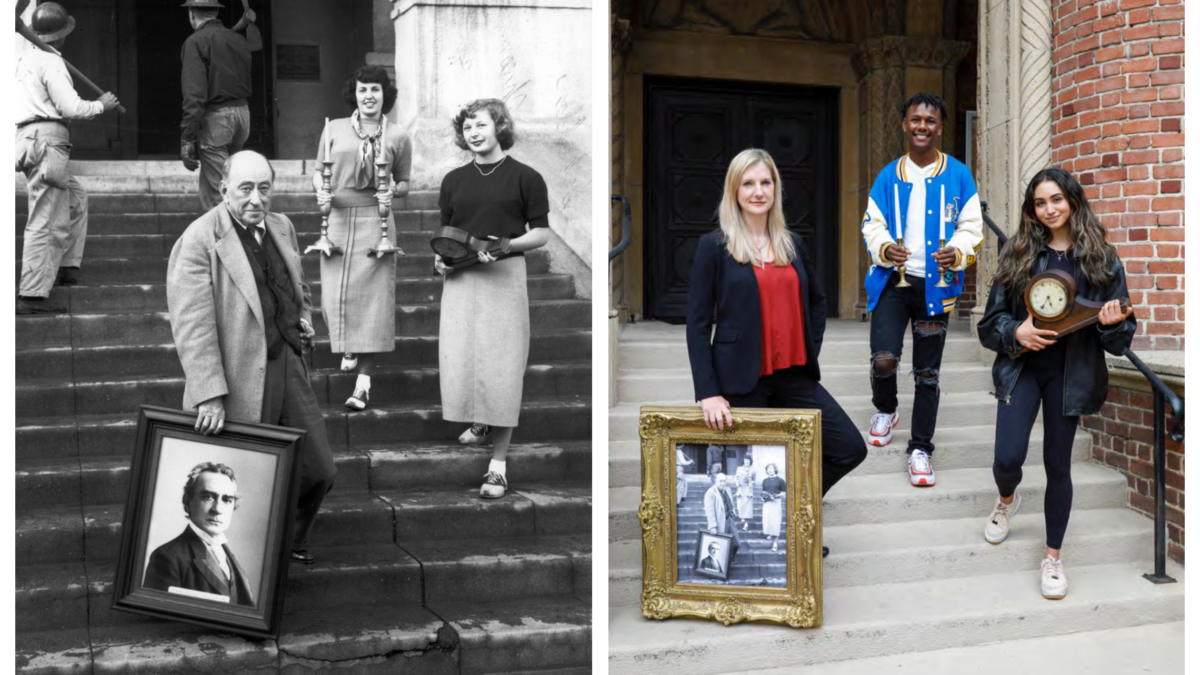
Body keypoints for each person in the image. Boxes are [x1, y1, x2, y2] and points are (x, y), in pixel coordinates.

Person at [687, 148, 867, 557]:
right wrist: (708, 392)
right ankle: (764, 547)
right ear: (735, 190)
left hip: (794, 376)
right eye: (748, 183)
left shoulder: (792, 243)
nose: (758, 191)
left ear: (775, 189)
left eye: (765, 182)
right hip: (738, 380)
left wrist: (807, 347)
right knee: (749, 467)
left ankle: (792, 517)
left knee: (848, 447)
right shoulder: (714, 247)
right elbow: (698, 324)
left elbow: (818, 301)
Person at [166, 150, 337, 566]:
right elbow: (192, 323)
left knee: (319, 469)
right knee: (243, 474)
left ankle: (285, 539)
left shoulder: (282, 226)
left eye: (264, 188)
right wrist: (209, 392)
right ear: (224, 189)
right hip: (239, 372)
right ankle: (250, 556)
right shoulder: (200, 238)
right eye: (245, 188)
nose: (256, 199)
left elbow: (299, 283)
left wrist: (303, 317)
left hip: (288, 362)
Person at [977, 168, 1135, 600]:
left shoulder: (1102, 257)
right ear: (1032, 208)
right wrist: (1016, 334)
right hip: (1024, 369)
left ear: (1073, 201)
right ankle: (1007, 499)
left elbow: (1122, 338)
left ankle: (1053, 556)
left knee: (1058, 465)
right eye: (1040, 202)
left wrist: (1109, 325)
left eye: (1057, 200)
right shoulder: (1020, 252)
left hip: (1070, 375)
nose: (1049, 210)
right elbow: (990, 325)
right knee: (1006, 458)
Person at [859, 92, 984, 487]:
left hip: (936, 287)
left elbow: (972, 227)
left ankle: (921, 450)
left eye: (930, 121)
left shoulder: (959, 174)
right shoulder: (888, 175)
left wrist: (959, 250)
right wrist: (883, 248)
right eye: (915, 119)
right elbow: (871, 224)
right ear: (904, 124)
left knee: (927, 373)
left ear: (940, 127)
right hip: (893, 284)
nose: (922, 126)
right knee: (884, 360)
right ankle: (887, 408)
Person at [435, 99, 551, 499]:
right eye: (467, 127)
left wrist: (506, 244)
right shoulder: (453, 180)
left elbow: (541, 233)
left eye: (481, 125)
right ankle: (480, 420)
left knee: (502, 368)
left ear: (499, 127)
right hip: (463, 280)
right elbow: (447, 234)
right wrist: (442, 261)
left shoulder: (525, 177)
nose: (474, 133)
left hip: (504, 276)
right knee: (462, 359)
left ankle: (498, 466)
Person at [314, 65, 411, 410]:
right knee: (332, 297)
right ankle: (349, 343)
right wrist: (320, 194)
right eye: (362, 89)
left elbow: (404, 182)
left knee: (373, 302)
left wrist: (393, 192)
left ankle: (363, 383)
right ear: (353, 94)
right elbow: (318, 172)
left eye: (375, 89)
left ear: (386, 94)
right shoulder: (334, 129)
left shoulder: (398, 135)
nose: (369, 96)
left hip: (376, 219)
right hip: (337, 218)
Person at [15, 2, 120, 315]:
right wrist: (101, 104)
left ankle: (65, 267)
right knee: (47, 219)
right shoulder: (51, 61)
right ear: (61, 36)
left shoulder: (23, 60)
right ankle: (32, 296)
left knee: (75, 197)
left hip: (26, 138)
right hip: (48, 142)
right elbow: (73, 108)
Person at [143, 462, 254, 606]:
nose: (218, 509)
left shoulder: (225, 552)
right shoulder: (167, 557)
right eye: (208, 497)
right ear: (188, 502)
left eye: (227, 500)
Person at [179, 0, 254, 212]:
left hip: (217, 121)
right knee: (227, 183)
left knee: (219, 194)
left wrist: (187, 137)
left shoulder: (195, 41)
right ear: (215, 12)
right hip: (242, 115)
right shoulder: (238, 39)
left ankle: (227, 242)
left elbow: (194, 95)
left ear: (192, 13)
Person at [702, 473, 740, 562]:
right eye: (720, 481)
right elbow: (709, 511)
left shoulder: (728, 490)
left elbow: (731, 502)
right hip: (719, 522)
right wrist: (712, 526)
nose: (722, 483)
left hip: (730, 520)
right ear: (716, 481)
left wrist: (733, 511)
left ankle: (730, 559)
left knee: (736, 543)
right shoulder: (710, 492)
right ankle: (724, 566)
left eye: (724, 481)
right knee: (722, 545)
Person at [761, 463, 785, 552]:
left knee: (776, 522)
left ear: (775, 469)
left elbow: (784, 493)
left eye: (771, 468)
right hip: (767, 503)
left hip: (776, 503)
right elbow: (763, 492)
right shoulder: (765, 481)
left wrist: (776, 496)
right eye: (768, 469)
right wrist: (762, 498)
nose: (769, 470)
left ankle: (775, 543)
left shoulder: (780, 480)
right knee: (768, 521)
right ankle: (771, 534)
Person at [734, 454, 755, 531]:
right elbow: (736, 477)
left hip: (748, 489)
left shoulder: (752, 470)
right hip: (740, 489)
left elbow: (754, 480)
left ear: (750, 462)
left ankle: (746, 525)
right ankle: (742, 517)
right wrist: (737, 483)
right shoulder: (739, 469)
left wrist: (751, 483)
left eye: (748, 461)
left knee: (748, 507)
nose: (747, 462)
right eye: (745, 460)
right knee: (740, 505)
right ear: (743, 461)